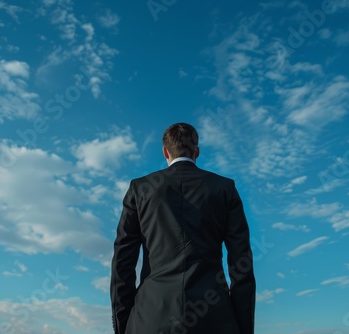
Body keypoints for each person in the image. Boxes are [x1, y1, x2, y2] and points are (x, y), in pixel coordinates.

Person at [110, 122, 256, 334]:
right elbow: (241, 263)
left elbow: (122, 263)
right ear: (196, 151)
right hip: (215, 318)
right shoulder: (224, 188)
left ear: (165, 152)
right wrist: (242, 327)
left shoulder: (140, 189)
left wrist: (124, 325)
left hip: (149, 319)